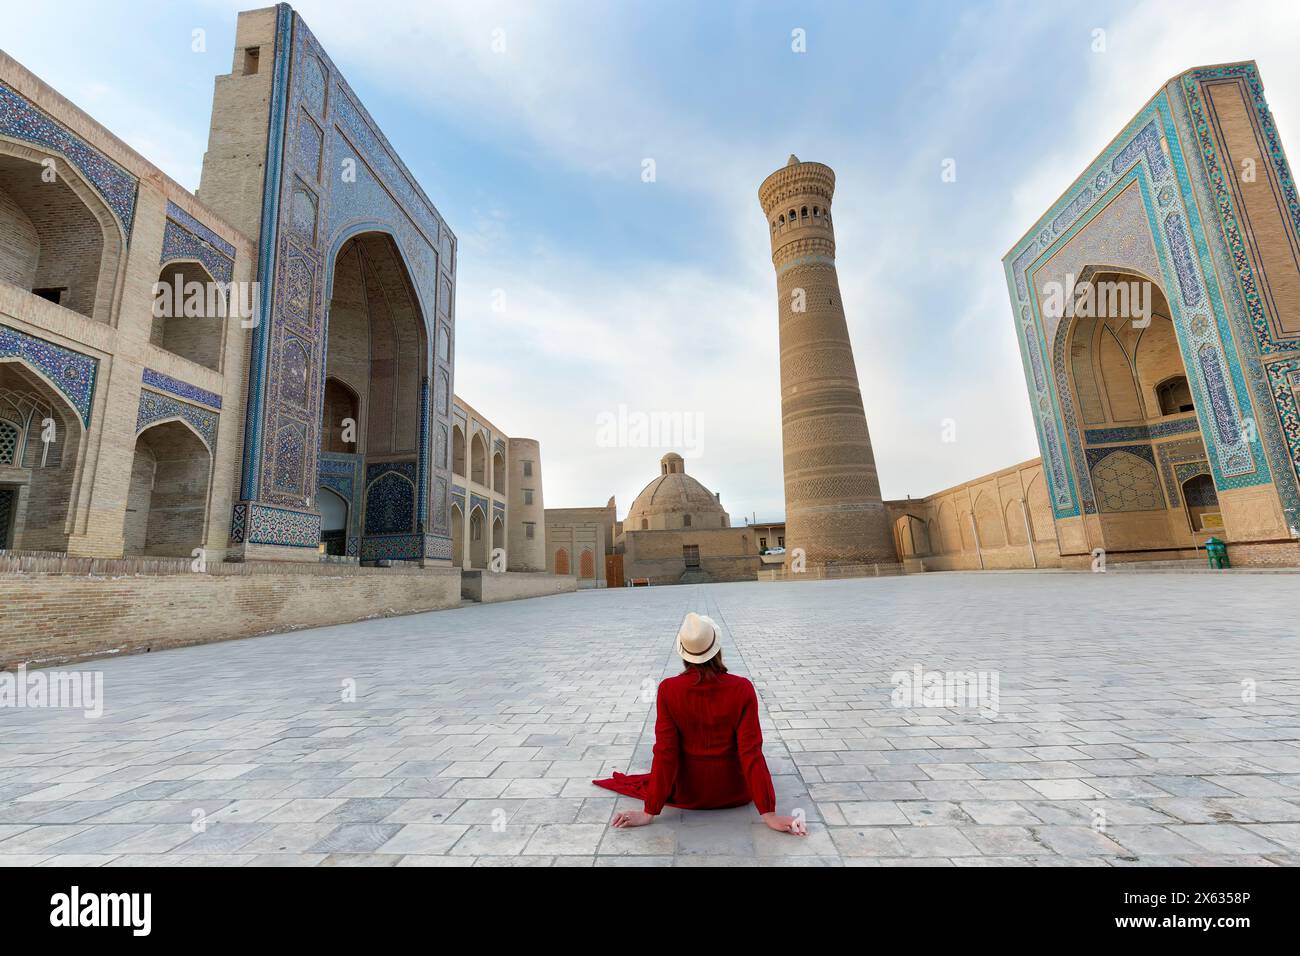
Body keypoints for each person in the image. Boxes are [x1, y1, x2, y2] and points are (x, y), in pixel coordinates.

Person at [593, 611, 807, 835]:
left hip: (688, 793)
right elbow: (751, 752)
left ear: (684, 653)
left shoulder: (668, 690)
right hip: (734, 793)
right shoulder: (742, 688)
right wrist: (768, 813)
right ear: (718, 648)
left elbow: (666, 752)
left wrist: (649, 811)